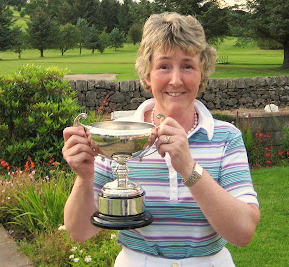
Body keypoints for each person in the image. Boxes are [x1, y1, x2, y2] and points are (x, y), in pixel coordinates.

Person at [62, 12, 260, 266]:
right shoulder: (118, 137)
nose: (176, 80)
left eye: (187, 65)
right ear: (147, 74)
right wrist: (85, 177)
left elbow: (243, 232)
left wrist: (189, 168)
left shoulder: (225, 138)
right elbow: (79, 232)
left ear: (202, 74)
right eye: (164, 66)